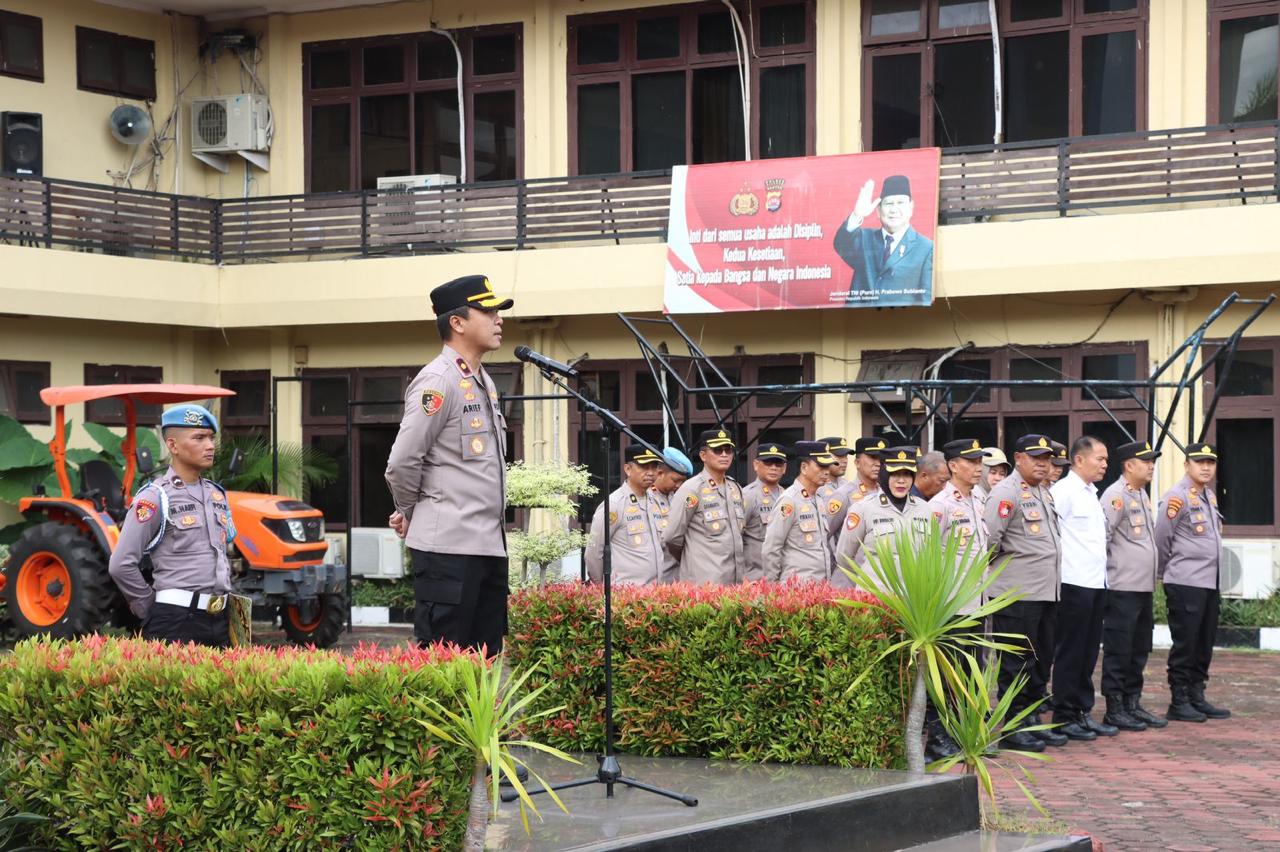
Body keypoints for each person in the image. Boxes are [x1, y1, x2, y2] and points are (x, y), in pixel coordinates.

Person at [385, 274, 513, 653]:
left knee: (485, 661)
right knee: (444, 664)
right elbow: (402, 461)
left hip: (489, 547)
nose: (499, 319)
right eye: (488, 312)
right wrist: (410, 511)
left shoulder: (483, 381)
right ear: (457, 322)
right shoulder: (438, 381)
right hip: (448, 551)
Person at [109, 404, 236, 647]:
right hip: (176, 619)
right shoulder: (155, 497)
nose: (210, 445)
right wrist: (149, 608)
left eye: (211, 438)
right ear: (173, 445)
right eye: (199, 438)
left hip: (220, 618)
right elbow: (121, 564)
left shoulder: (216, 495)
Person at [983, 434, 1067, 753]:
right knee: (1016, 663)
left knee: (1040, 660)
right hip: (1016, 593)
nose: (1043, 464)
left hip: (1045, 591)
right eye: (1036, 458)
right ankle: (1013, 727)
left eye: (1046, 458)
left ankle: (1030, 721)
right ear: (1018, 459)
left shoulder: (1043, 491)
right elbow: (990, 541)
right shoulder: (1006, 492)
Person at [924, 438, 990, 761]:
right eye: (971, 462)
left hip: (977, 601)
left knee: (973, 671)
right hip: (951, 603)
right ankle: (939, 740)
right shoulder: (940, 505)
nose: (978, 468)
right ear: (953, 466)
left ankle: (967, 736)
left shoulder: (979, 500)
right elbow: (926, 555)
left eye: (980, 461)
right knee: (947, 675)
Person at [1049, 436, 1118, 741]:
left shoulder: (1091, 493)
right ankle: (1064, 715)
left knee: (1089, 652)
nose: (1105, 464)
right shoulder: (1063, 491)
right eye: (1099, 459)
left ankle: (1081, 710)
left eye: (1106, 460)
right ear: (1079, 460)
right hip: (1073, 582)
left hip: (1095, 581)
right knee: (1071, 652)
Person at [1156, 443, 1230, 722]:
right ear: (1187, 465)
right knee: (1186, 643)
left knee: (1203, 642)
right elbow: (1162, 537)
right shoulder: (1176, 497)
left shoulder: (1208, 496)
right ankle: (1179, 700)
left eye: (1211, 462)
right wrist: (1163, 573)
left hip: (1209, 582)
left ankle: (1197, 696)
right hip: (1185, 581)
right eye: (1200, 462)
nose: (1206, 467)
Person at [1100, 440, 1166, 731]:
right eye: (1146, 461)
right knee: (1119, 648)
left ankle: (1132, 703)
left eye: (1152, 461)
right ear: (1129, 465)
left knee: (1139, 648)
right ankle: (1114, 708)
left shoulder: (1140, 493)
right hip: (1122, 587)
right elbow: (1103, 538)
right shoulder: (1115, 496)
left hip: (1142, 587)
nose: (1151, 466)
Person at [663, 429, 750, 584]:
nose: (724, 455)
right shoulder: (692, 489)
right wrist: (692, 556)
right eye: (717, 450)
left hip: (734, 584)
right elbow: (672, 536)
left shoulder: (735, 488)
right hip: (703, 583)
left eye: (728, 450)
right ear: (703, 455)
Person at [833, 175, 935, 305]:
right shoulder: (864, 238)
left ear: (911, 207)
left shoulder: (926, 248)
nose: (894, 210)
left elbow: (926, 300)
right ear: (878, 210)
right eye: (889, 203)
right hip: (858, 317)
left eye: (900, 203)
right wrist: (857, 215)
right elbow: (841, 244)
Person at [834, 447, 931, 576]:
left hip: (913, 588)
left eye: (907, 474)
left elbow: (931, 553)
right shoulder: (863, 508)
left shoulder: (925, 509)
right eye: (895, 474)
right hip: (876, 587)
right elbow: (844, 557)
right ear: (885, 475)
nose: (901, 480)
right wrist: (867, 579)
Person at [585, 445, 667, 585]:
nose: (650, 472)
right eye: (644, 467)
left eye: (654, 467)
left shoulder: (655, 500)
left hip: (654, 591)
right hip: (626, 593)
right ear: (628, 469)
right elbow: (593, 553)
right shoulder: (614, 504)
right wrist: (600, 587)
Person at [763, 441, 838, 583]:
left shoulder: (818, 499)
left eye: (827, 466)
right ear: (804, 467)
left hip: (820, 586)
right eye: (821, 466)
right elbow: (772, 547)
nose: (826, 471)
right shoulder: (789, 500)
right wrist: (772, 587)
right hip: (796, 588)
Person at [825, 436, 885, 543]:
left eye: (881, 459)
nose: (878, 463)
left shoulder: (886, 493)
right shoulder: (843, 495)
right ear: (857, 463)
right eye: (873, 458)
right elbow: (823, 537)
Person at [743, 443, 789, 581]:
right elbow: (734, 538)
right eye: (768, 463)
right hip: (756, 577)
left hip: (783, 576)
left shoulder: (788, 496)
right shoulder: (748, 496)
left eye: (778, 464)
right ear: (756, 465)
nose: (773, 467)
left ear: (784, 468)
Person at [649, 449, 693, 584]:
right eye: (675, 480)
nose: (679, 485)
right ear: (660, 473)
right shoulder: (647, 499)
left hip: (676, 579)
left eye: (683, 481)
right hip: (652, 579)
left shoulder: (677, 498)